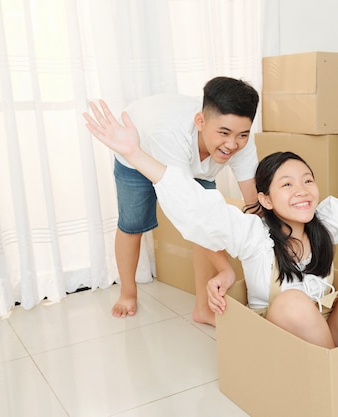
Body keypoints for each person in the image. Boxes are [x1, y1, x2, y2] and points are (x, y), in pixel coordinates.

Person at [84, 82, 338, 348]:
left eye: (307, 180)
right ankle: (334, 383)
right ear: (267, 200)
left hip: (324, 330)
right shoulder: (254, 234)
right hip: (281, 340)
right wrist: (133, 153)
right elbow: (196, 208)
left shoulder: (325, 222)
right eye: (287, 185)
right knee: (292, 301)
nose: (302, 189)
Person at [106, 76, 260, 324]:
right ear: (200, 121)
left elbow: (253, 202)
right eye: (224, 133)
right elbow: (193, 215)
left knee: (211, 216)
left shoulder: (241, 139)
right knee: (132, 224)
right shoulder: (166, 134)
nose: (232, 144)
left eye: (241, 134)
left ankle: (203, 309)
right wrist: (225, 269)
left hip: (192, 162)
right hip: (138, 151)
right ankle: (127, 291)